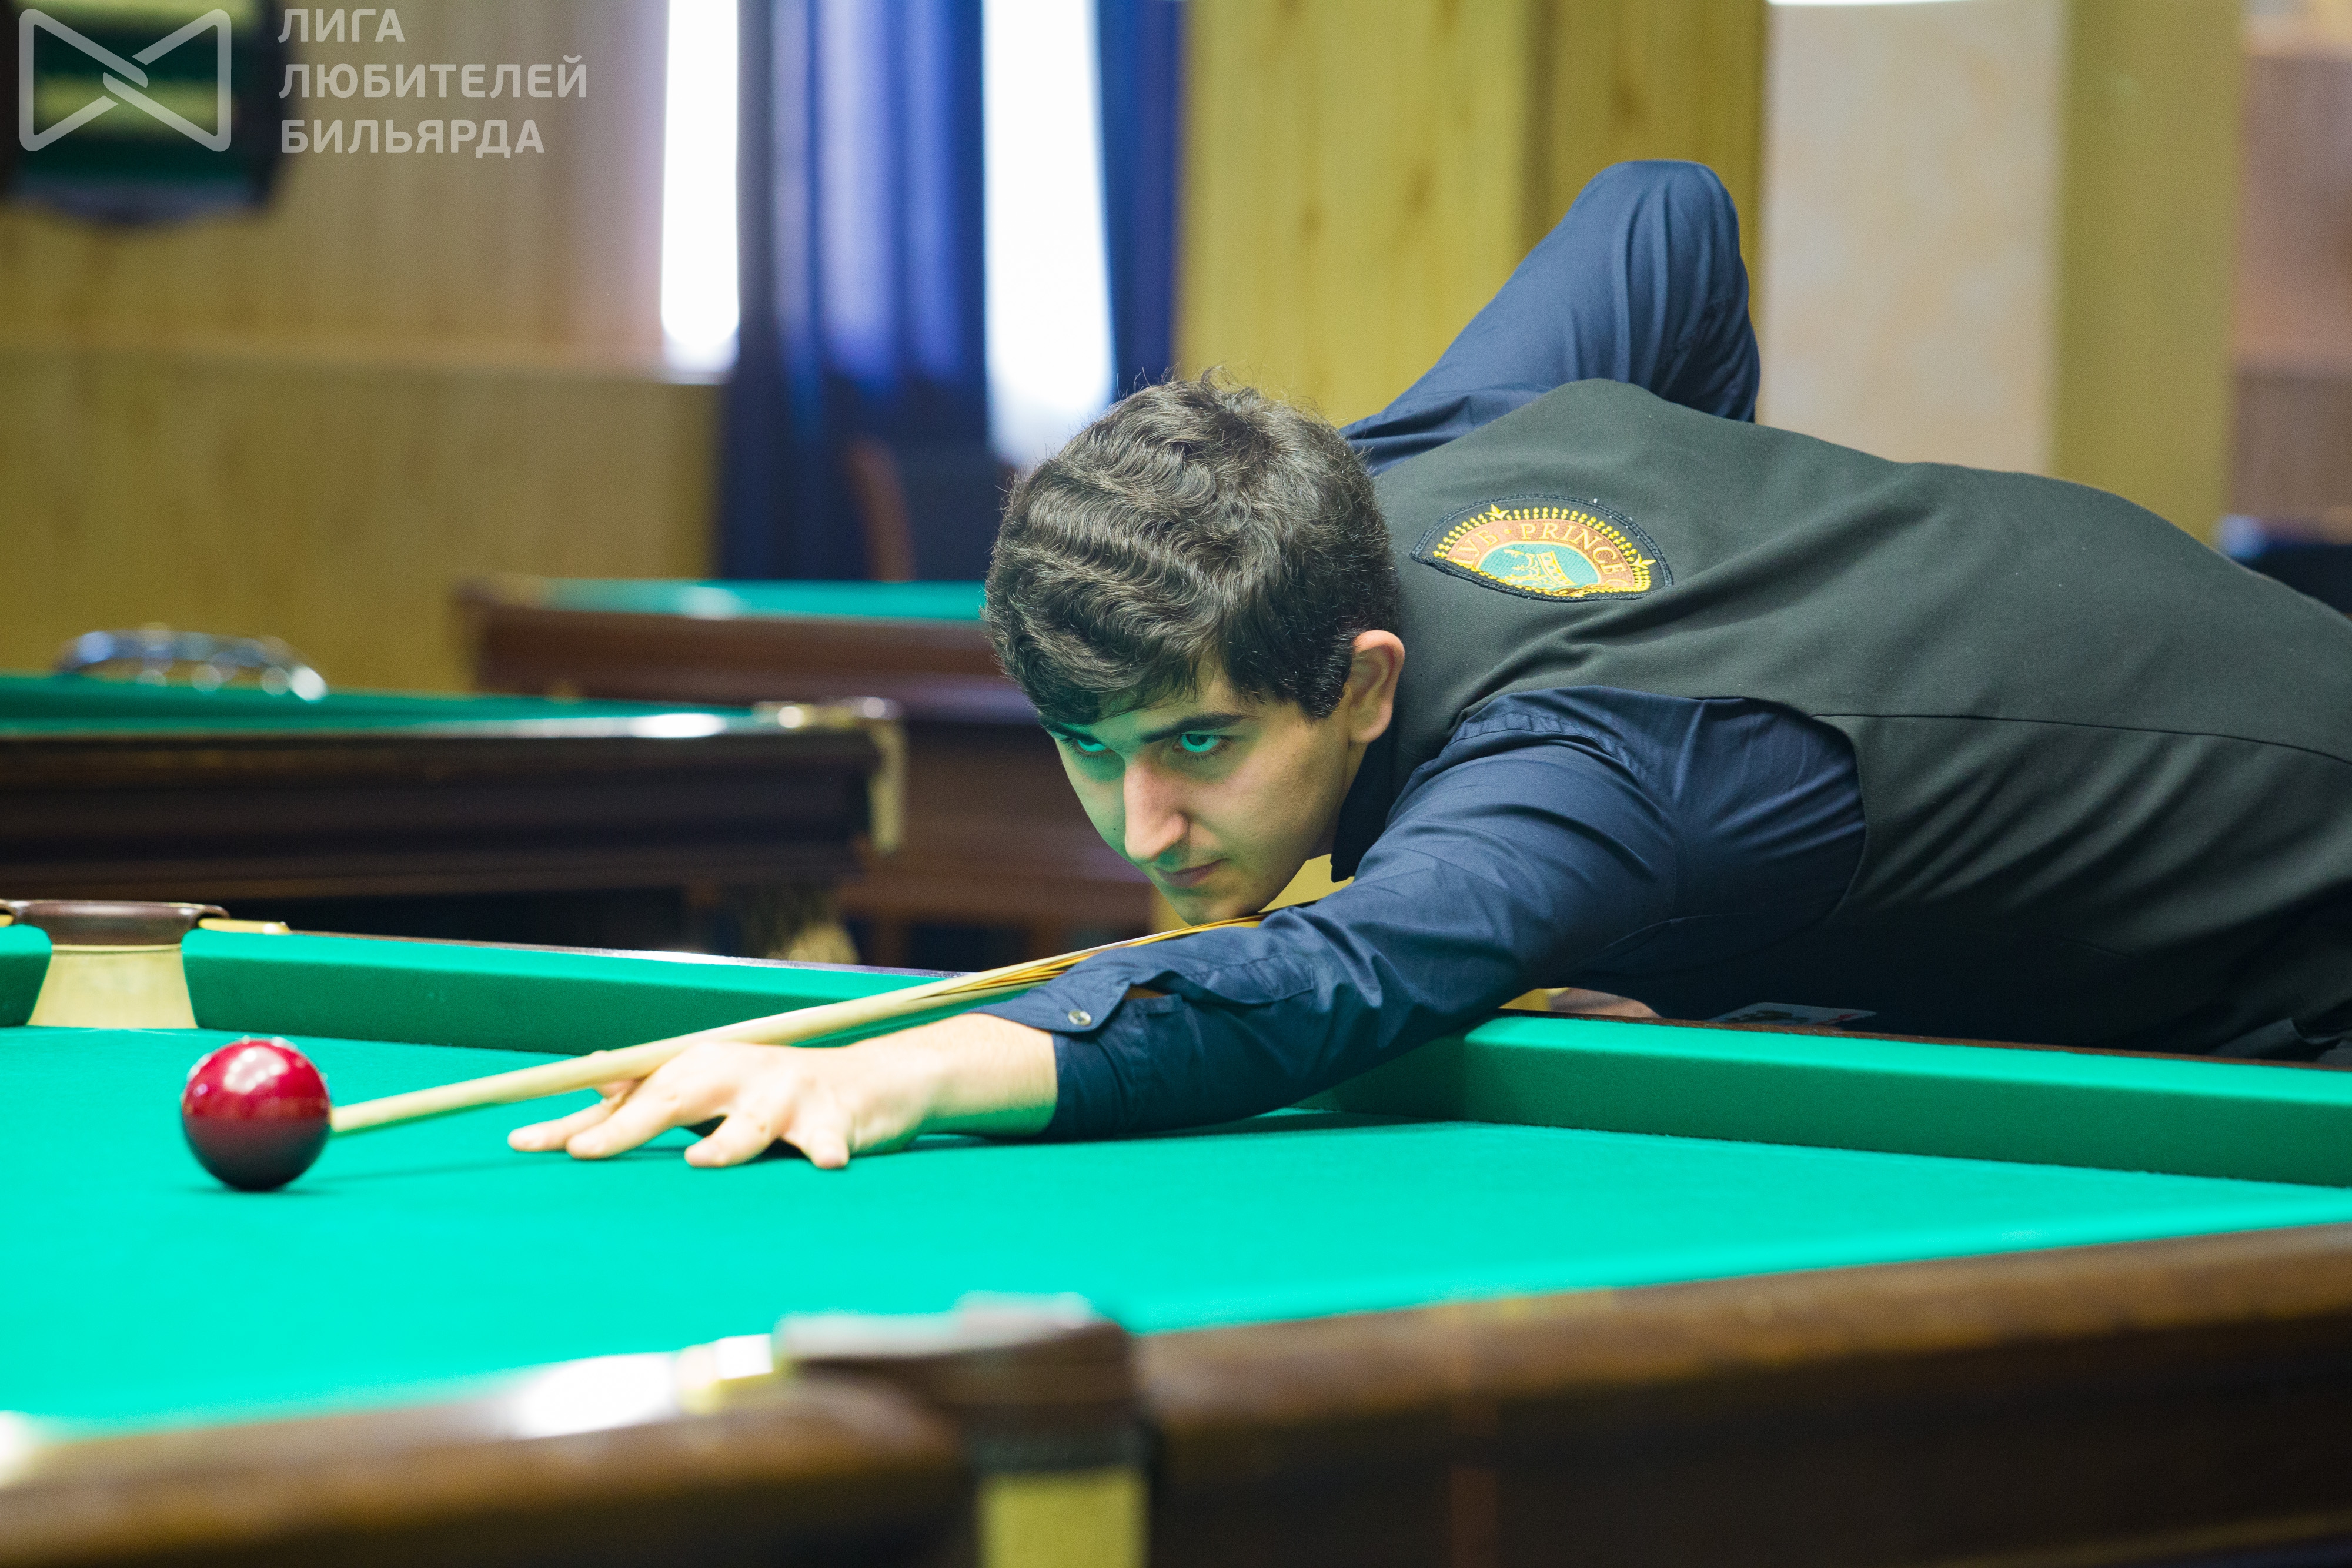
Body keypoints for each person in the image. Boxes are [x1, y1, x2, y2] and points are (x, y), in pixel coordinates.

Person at [513, 162, 2352, 1171]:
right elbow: (1662, 212)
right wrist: (1719, 522)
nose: (1144, 826)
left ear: (1368, 682)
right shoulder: (1400, 469)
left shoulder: (1575, 779)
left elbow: (1337, 977)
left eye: (1200, 743)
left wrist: (913, 1068)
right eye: (1090, 743)